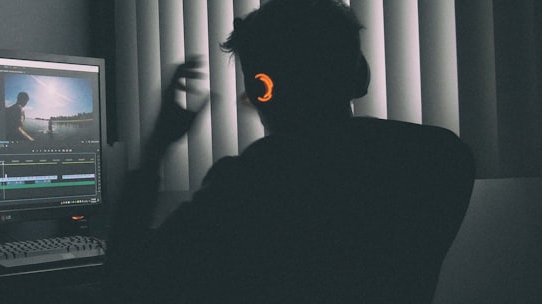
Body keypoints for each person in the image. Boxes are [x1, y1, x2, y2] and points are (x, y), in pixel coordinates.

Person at [106, 0, 475, 302]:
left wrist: (156, 147)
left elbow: (129, 279)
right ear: (361, 75)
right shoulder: (440, 158)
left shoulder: (248, 185)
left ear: (260, 88)